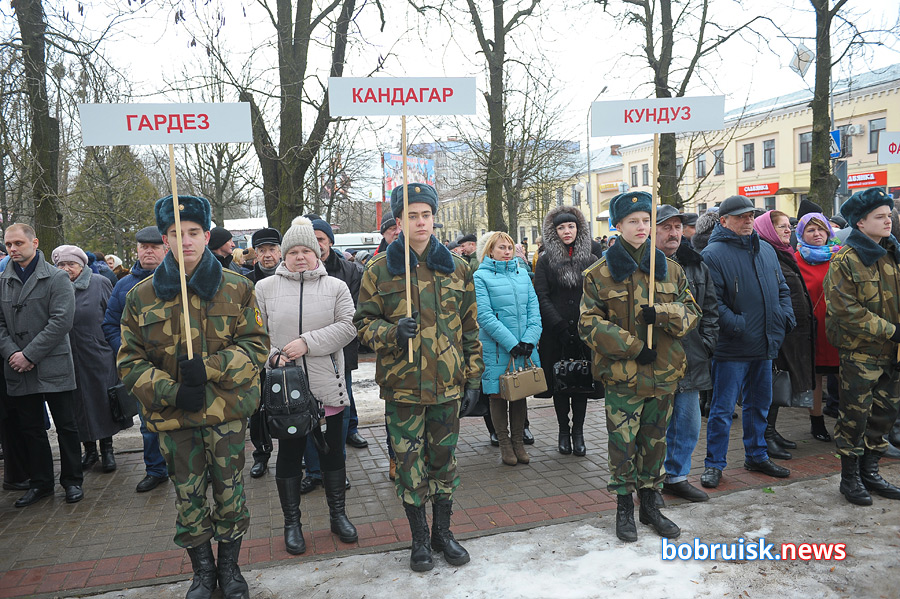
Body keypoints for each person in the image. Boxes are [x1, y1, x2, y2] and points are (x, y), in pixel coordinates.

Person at [118, 195, 268, 599]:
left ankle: (230, 569)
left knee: (230, 493)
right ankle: (202, 573)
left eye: (193, 233)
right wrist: (170, 391)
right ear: (164, 239)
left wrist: (212, 368)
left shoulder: (237, 288)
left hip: (226, 415)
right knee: (188, 497)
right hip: (175, 419)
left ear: (206, 235)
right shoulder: (141, 296)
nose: (185, 241)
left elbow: (256, 348)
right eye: (175, 234)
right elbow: (129, 362)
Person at [355, 183, 483, 572]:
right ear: (399, 221)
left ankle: (444, 533)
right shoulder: (380, 270)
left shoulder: (457, 267)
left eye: (426, 214)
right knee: (410, 467)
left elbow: (470, 328)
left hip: (447, 385)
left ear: (434, 217)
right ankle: (420, 540)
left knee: (444, 464)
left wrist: (473, 378)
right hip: (404, 387)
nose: (420, 222)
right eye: (412, 215)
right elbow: (362, 324)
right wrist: (392, 332)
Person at [580, 193, 700, 542]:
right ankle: (623, 509)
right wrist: (633, 347)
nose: (641, 227)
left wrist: (661, 314)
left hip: (663, 374)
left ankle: (650, 505)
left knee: (655, 442)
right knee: (623, 445)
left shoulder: (669, 268)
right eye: (633, 221)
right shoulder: (599, 274)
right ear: (616, 226)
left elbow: (691, 314)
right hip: (624, 377)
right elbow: (589, 325)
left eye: (646, 221)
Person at [255, 216, 358, 554]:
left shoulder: (336, 287)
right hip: (286, 392)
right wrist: (273, 357)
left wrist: (306, 343)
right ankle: (292, 523)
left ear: (318, 254)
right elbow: (255, 337)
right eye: (293, 251)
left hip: (327, 386)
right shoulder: (265, 288)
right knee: (289, 454)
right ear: (284, 255)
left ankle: (338, 515)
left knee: (332, 454)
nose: (300, 256)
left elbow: (347, 327)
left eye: (306, 250)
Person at [700, 196, 795, 489]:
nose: (747, 221)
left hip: (765, 343)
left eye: (751, 216)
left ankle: (756, 454)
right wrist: (738, 326)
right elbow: (711, 302)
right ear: (723, 221)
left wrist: (784, 316)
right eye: (740, 216)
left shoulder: (765, 249)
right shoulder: (712, 254)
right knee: (723, 409)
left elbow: (781, 287)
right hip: (733, 347)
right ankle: (714, 464)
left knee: (759, 404)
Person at [824, 188, 900, 506]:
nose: (888, 221)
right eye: (880, 216)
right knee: (855, 416)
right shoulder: (846, 260)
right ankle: (850, 477)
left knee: (884, 415)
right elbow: (846, 310)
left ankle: (871, 471)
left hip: (892, 353)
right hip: (861, 352)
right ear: (861, 222)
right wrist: (892, 331)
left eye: (889, 215)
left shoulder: (894, 253)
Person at [0, 224, 82, 508]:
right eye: (9, 244)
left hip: (52, 364)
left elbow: (61, 321)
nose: (13, 249)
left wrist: (30, 354)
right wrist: (13, 352)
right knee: (31, 429)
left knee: (66, 426)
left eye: (18, 243)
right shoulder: (3, 280)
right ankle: (41, 483)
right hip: (18, 367)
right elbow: (0, 324)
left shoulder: (57, 277)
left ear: (34, 242)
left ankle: (72, 481)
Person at [654, 206, 718, 503]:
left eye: (678, 226)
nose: (673, 233)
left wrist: (707, 342)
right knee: (653, 428)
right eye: (666, 227)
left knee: (687, 424)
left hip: (690, 359)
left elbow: (710, 308)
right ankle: (649, 482)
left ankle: (677, 476)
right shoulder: (642, 268)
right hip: (652, 362)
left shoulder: (696, 264)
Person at [298, 218, 365, 496]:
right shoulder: (297, 271)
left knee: (338, 413)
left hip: (338, 356)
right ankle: (313, 470)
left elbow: (351, 317)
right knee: (306, 416)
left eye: (321, 239)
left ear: (329, 242)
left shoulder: (350, 271)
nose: (317, 245)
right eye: (311, 240)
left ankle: (337, 468)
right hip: (303, 359)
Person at [103, 226, 171, 493]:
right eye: (143, 247)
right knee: (149, 423)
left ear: (166, 249)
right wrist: (130, 353)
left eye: (154, 247)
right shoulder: (124, 285)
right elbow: (110, 324)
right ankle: (155, 469)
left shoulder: (182, 280)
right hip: (143, 369)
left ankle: (198, 468)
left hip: (178, 365)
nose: (148, 251)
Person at [534, 205, 602, 457]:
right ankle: (563, 430)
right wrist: (559, 325)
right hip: (556, 333)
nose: (566, 231)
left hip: (585, 331)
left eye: (571, 226)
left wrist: (586, 322)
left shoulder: (593, 257)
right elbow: (541, 295)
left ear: (579, 228)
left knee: (581, 383)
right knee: (560, 384)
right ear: (554, 231)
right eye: (561, 227)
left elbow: (597, 294)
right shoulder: (545, 260)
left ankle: (579, 433)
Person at [52, 245, 124, 474]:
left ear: (81, 265)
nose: (66, 269)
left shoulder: (99, 282)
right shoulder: (54, 287)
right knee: (78, 405)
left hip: (97, 354)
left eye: (70, 264)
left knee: (102, 402)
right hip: (69, 356)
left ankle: (108, 449)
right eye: (61, 265)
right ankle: (90, 450)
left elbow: (113, 317)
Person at [474, 231, 541, 466]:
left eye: (509, 248)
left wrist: (529, 340)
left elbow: (534, 310)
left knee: (519, 393)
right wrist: (511, 343)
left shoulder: (522, 274)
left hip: (524, 345)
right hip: (497, 347)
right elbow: (484, 315)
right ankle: (504, 444)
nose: (506, 252)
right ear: (490, 250)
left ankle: (518, 442)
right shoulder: (480, 277)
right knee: (498, 394)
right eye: (501, 247)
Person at [753, 210, 815, 459]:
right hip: (779, 333)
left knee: (780, 385)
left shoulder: (783, 253)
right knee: (772, 385)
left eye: (788, 225)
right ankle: (764, 436)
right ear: (768, 230)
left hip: (794, 333)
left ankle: (772, 431)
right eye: (780, 227)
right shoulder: (767, 255)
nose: (788, 230)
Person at [794, 212, 841, 442]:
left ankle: (847, 421)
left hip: (839, 328)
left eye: (821, 229)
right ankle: (817, 421)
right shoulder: (795, 259)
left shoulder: (840, 256)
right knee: (816, 376)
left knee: (845, 375)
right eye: (811, 230)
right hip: (811, 330)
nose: (817, 234)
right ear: (801, 234)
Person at [245, 227, 282, 479]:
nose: (267, 255)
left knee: (290, 404)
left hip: (284, 353)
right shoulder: (245, 281)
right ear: (255, 254)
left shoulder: (290, 277)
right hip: (255, 355)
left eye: (271, 249)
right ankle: (261, 454)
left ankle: (295, 452)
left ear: (280, 251)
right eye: (261, 250)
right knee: (257, 410)